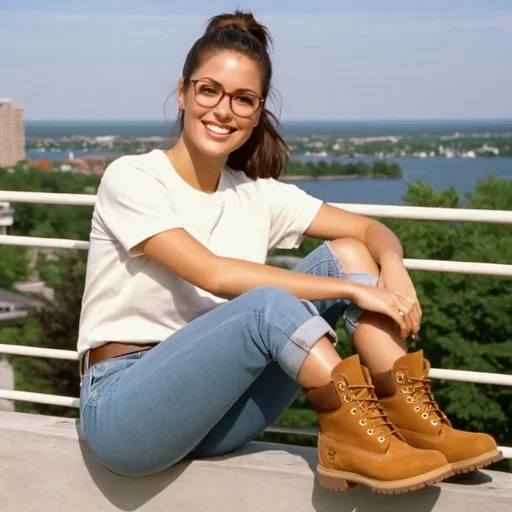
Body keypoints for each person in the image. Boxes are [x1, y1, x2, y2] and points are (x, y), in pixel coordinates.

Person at [78, 10, 502, 495]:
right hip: (125, 409)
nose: (223, 110)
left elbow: (369, 230)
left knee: (347, 252)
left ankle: (415, 423)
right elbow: (214, 274)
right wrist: (352, 292)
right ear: (183, 92)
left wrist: (393, 267)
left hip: (216, 411)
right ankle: (356, 438)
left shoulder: (256, 193)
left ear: (257, 112)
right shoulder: (132, 177)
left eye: (243, 100)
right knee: (266, 299)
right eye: (209, 90)